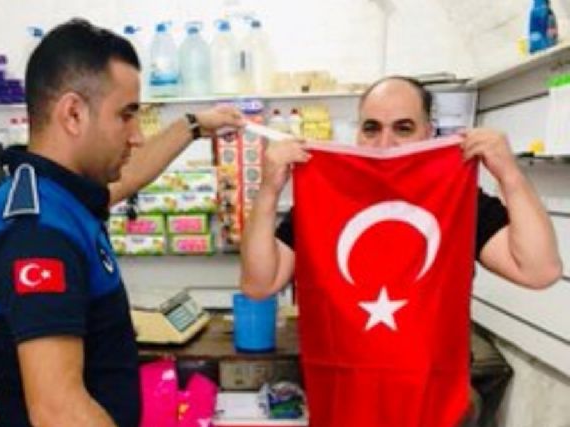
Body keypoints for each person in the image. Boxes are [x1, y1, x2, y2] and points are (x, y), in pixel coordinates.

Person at [0, 19, 243, 427]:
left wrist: (195, 125)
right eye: (126, 115)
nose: (137, 136)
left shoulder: (57, 198)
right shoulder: (37, 234)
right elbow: (59, 411)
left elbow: (128, 178)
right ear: (73, 114)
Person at [240, 76, 562, 424]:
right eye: (371, 128)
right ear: (358, 133)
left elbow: (539, 270)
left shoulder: (458, 198)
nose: (385, 143)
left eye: (403, 128)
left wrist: (509, 174)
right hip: (346, 400)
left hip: (431, 403)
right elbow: (259, 284)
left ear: (429, 132)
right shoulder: (325, 199)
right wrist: (269, 189)